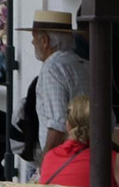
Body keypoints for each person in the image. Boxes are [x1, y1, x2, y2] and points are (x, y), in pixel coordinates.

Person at [19, 10, 88, 160]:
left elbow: (58, 125)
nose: (32, 43)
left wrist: (47, 165)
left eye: (34, 38)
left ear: (45, 41)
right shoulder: (84, 64)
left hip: (66, 158)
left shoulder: (52, 68)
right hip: (88, 155)